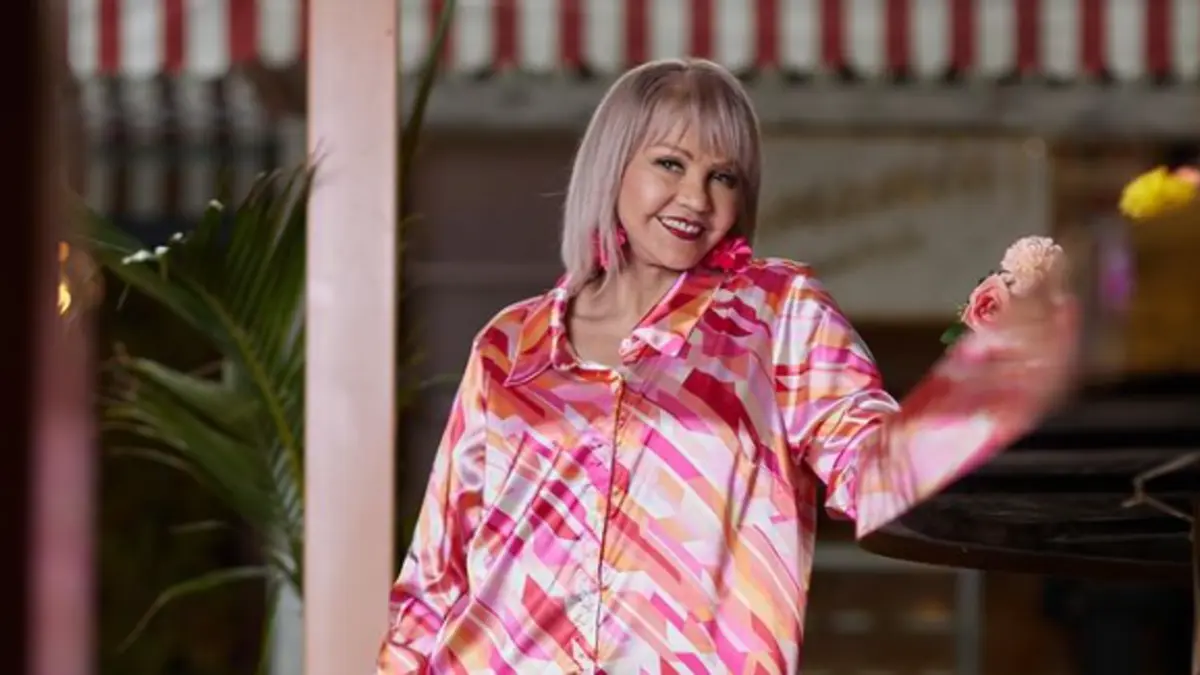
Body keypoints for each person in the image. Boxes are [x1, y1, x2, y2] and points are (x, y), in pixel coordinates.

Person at [377, 58, 1075, 674]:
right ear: (613, 166)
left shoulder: (777, 315)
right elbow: (437, 570)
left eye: (723, 176)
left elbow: (878, 476)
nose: (695, 198)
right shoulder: (511, 344)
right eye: (670, 164)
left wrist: (992, 370)